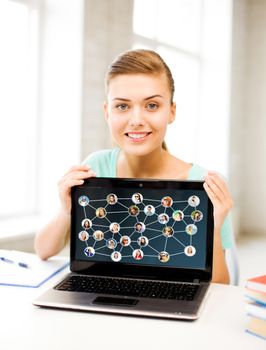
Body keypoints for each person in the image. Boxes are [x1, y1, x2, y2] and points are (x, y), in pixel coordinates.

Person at [34, 49, 233, 284]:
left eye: (151, 106)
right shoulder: (95, 167)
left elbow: (221, 288)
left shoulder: (204, 183)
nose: (136, 120)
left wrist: (216, 231)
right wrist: (65, 210)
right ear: (107, 112)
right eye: (122, 106)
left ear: (172, 111)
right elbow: (43, 250)